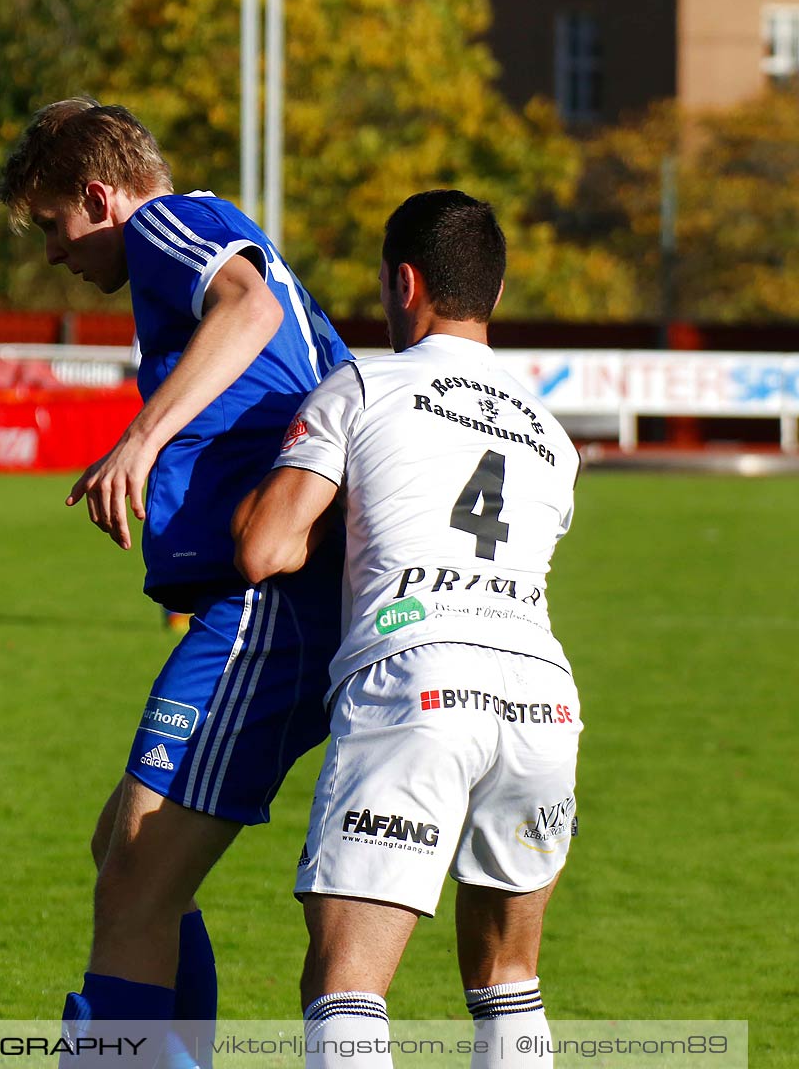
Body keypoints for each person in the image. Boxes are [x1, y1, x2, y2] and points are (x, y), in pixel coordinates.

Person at [0, 98, 351, 1037]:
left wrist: (141, 439)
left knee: (135, 886)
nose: (53, 253)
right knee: (123, 849)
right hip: (272, 597)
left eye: (53, 224)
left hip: (271, 603)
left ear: (102, 196)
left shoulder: (165, 224)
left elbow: (251, 305)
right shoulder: (185, 241)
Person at [233, 191, 582, 1069]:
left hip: (416, 678)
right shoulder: (552, 435)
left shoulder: (362, 381)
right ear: (494, 297)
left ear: (404, 281)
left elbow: (265, 548)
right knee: (509, 981)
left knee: (347, 986)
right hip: (542, 698)